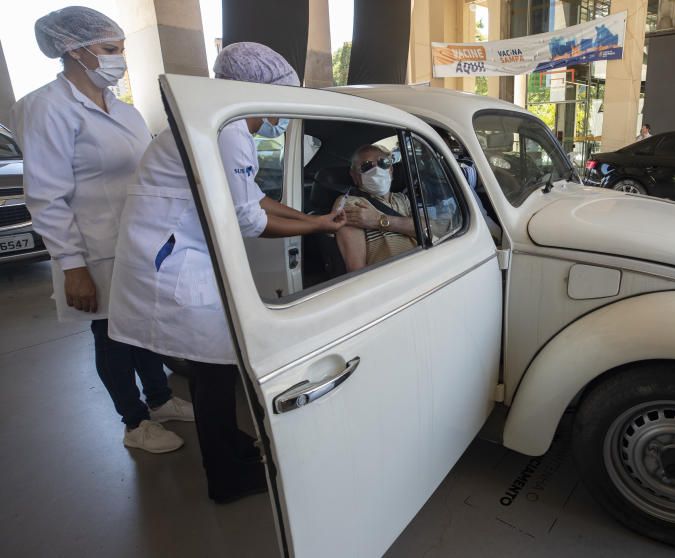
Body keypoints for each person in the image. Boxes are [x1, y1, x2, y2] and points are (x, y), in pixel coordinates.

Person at [108, 42, 346, 503]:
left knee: (212, 366)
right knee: (214, 368)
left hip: (178, 253)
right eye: (284, 94)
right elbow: (249, 219)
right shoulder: (232, 129)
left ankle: (231, 446)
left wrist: (315, 221)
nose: (286, 107)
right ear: (256, 90)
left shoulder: (226, 124)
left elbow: (253, 195)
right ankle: (225, 476)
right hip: (175, 261)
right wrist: (315, 228)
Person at [10, 6, 192, 454]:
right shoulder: (46, 108)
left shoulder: (123, 110)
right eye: (110, 49)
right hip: (93, 250)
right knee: (111, 334)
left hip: (139, 242)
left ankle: (160, 399)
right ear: (72, 50)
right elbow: (47, 196)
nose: (120, 59)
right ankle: (134, 423)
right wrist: (72, 266)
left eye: (122, 49)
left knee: (143, 326)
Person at [335, 144, 418, 272]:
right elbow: (357, 271)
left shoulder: (402, 198)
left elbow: (425, 228)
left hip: (423, 265)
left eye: (383, 163)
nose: (377, 170)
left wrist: (380, 220)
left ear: (390, 171)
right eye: (366, 166)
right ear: (354, 177)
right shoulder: (350, 203)